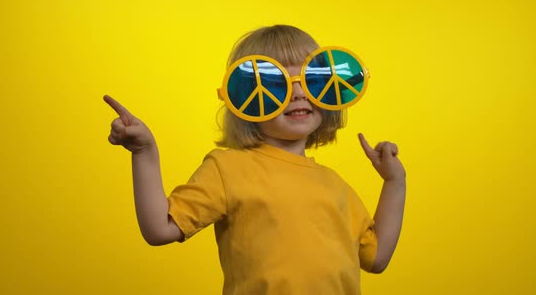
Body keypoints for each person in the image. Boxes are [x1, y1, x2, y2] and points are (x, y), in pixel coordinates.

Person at [104, 25, 406, 295]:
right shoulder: (228, 169)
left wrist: (394, 182)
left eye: (312, 79)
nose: (298, 93)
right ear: (242, 97)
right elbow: (159, 230)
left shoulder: (335, 185)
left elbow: (376, 258)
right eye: (276, 84)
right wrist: (145, 153)